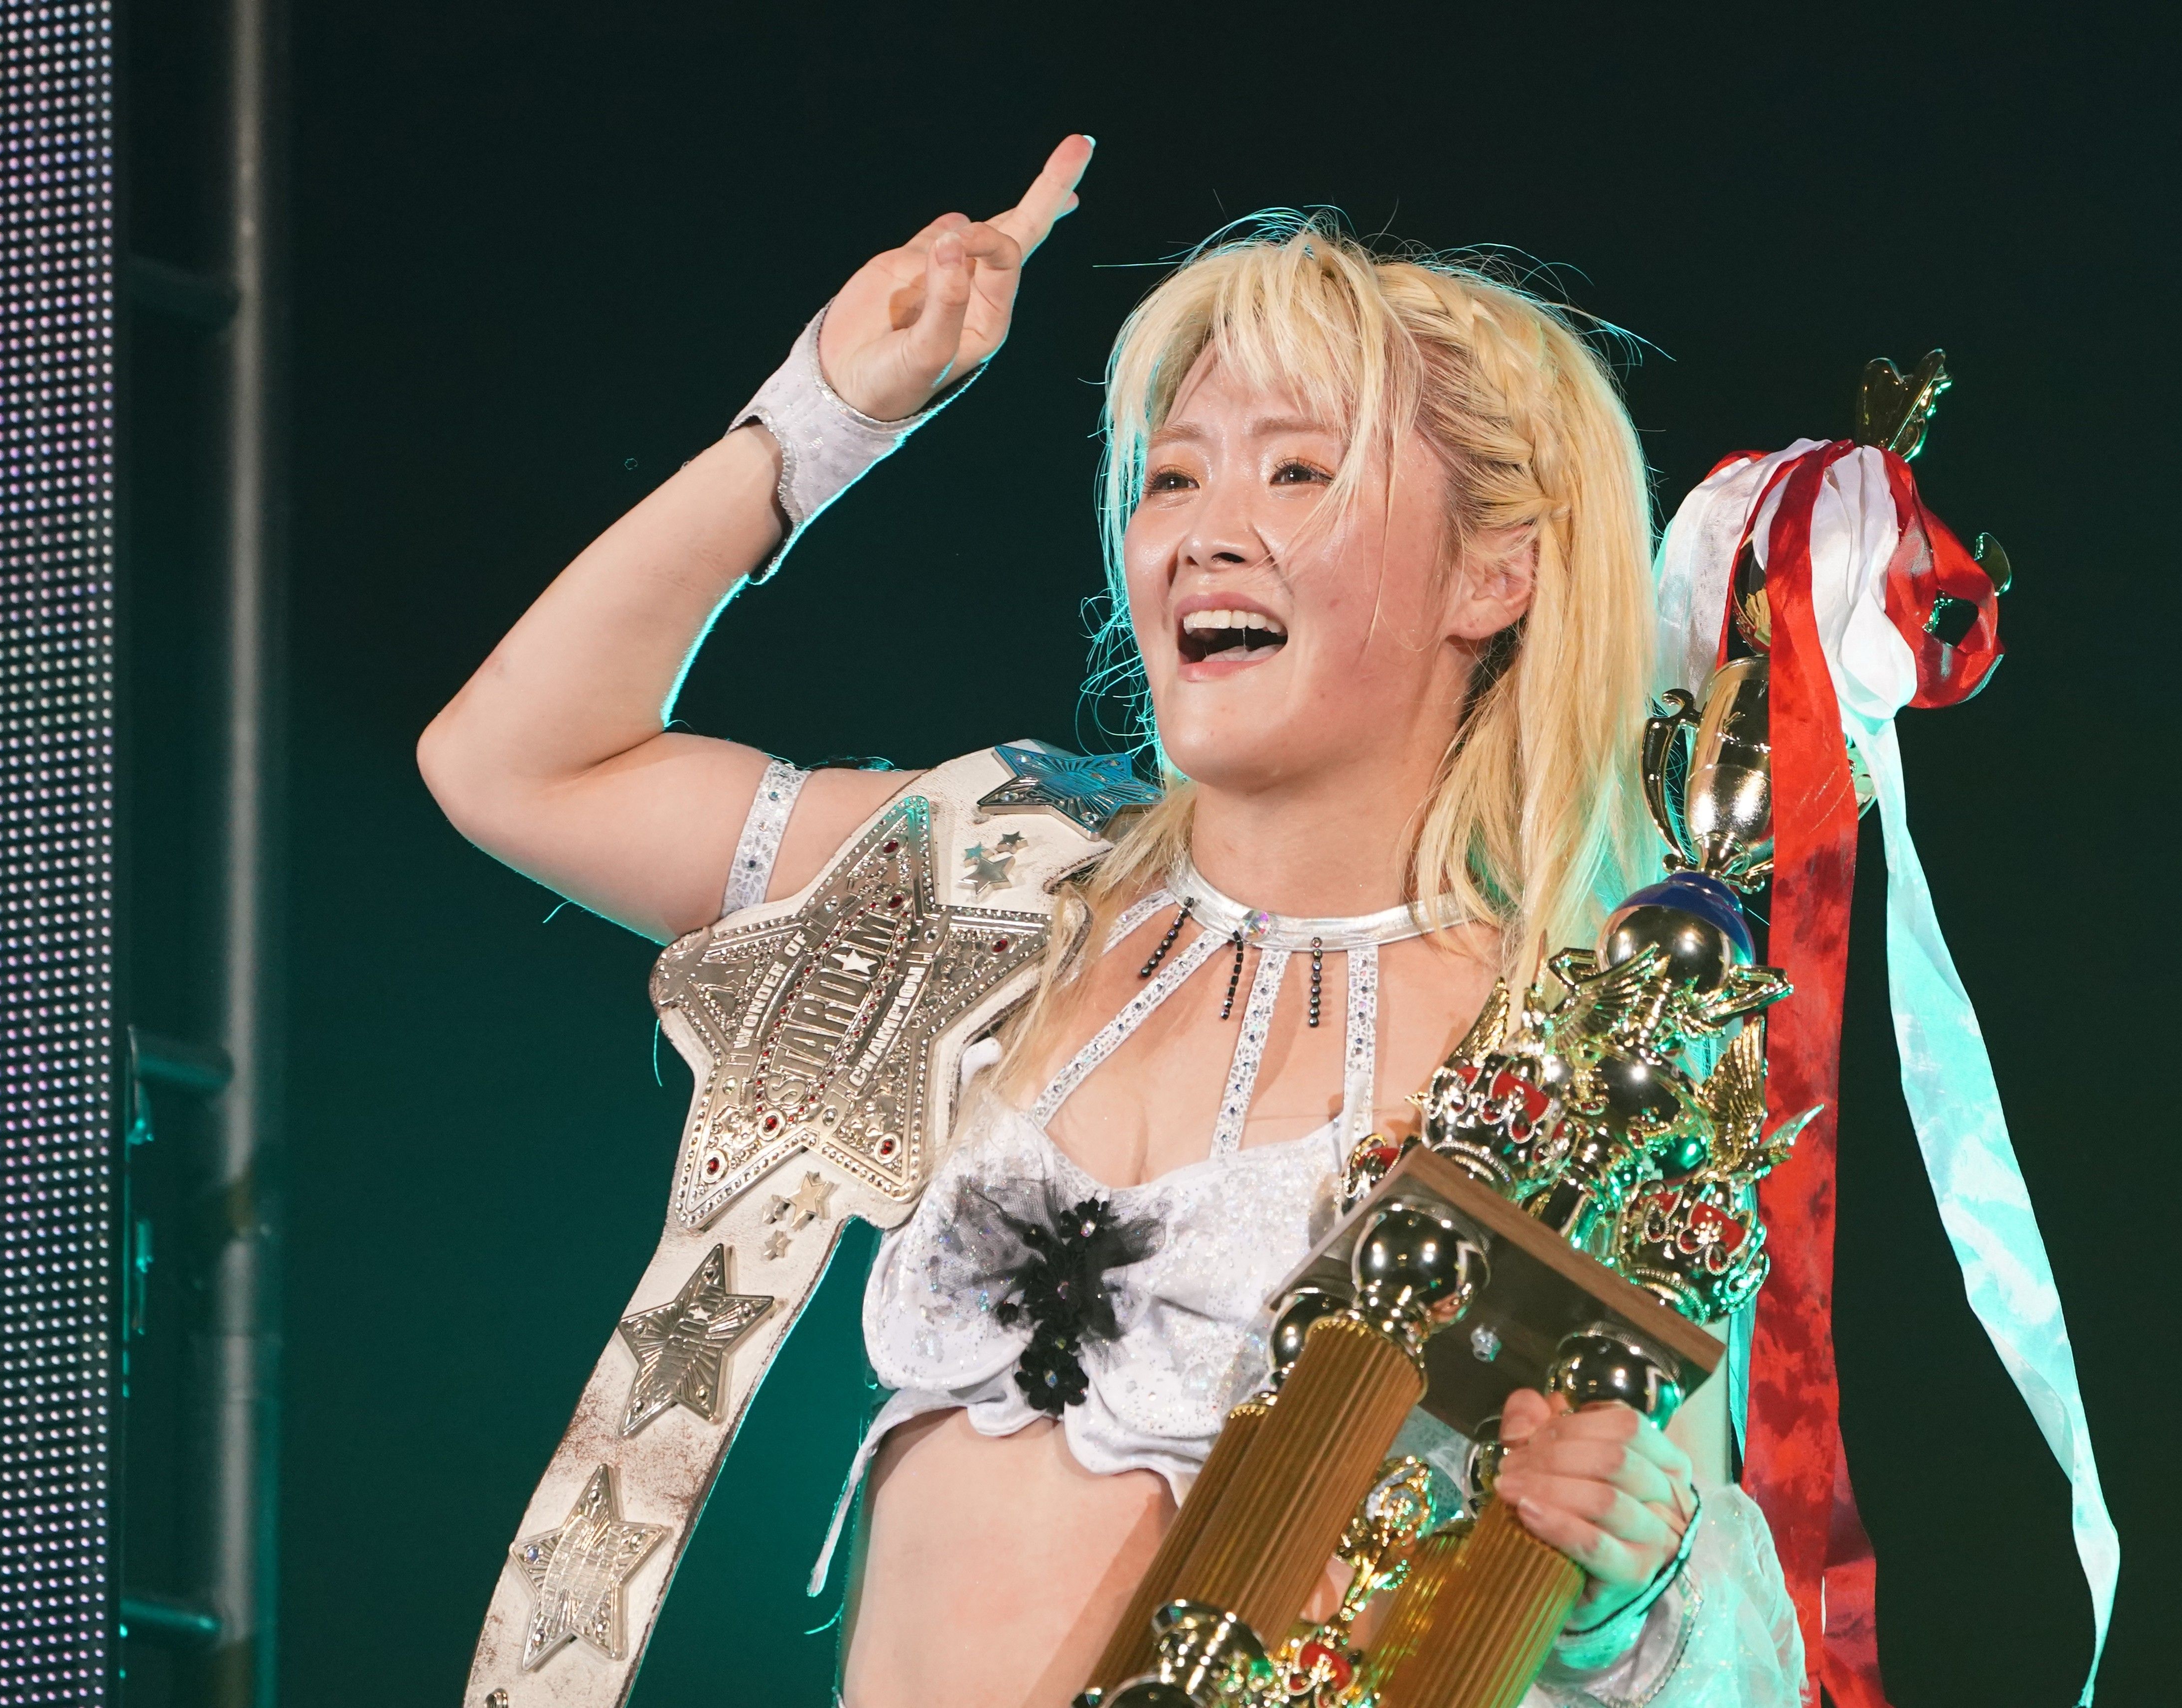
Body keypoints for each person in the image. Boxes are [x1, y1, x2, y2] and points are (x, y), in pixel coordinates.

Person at [419, 136, 1803, 1708]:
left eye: (1297, 473)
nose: (1203, 530)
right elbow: (514, 765)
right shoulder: (991, 870)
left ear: (1496, 575)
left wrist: (1621, 1599)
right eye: (1175, 475)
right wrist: (822, 416)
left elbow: (1677, 1627)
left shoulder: (1569, 1058)